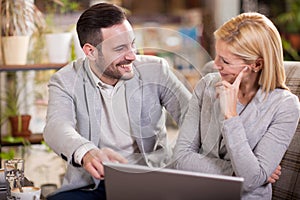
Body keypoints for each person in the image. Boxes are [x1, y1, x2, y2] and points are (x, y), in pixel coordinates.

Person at [43, 3, 191, 200]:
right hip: (95, 184)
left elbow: (193, 118)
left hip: (150, 177)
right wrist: (87, 153)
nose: (132, 55)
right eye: (120, 48)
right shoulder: (65, 80)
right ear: (90, 51)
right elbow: (57, 126)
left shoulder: (156, 70)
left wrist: (183, 161)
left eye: (132, 44)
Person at [173, 12, 300, 200]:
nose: (215, 65)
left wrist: (231, 115)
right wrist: (239, 174)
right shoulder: (207, 85)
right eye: (217, 56)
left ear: (256, 64)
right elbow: (180, 158)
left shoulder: (285, 106)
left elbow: (251, 180)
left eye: (225, 61)